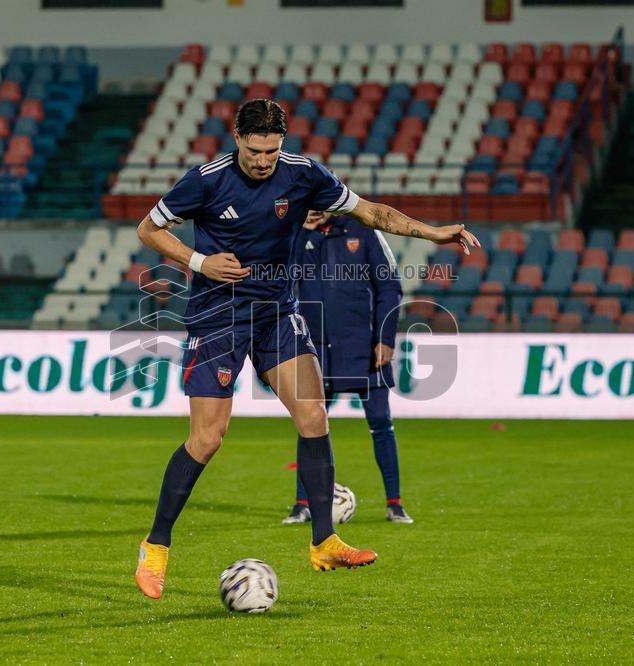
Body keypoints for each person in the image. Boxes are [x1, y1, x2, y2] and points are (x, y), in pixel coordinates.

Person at [134, 99, 478, 599]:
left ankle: (325, 541)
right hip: (218, 317)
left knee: (314, 416)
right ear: (237, 139)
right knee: (208, 439)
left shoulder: (303, 175)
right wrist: (200, 261)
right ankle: (156, 547)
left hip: (276, 312)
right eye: (255, 151)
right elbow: (149, 229)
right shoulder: (205, 180)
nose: (263, 161)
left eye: (272, 150)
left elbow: (373, 212)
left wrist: (432, 232)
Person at [282, 209, 413, 525]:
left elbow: (390, 287)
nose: (314, 207)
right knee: (309, 425)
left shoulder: (364, 231)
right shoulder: (298, 235)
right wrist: (300, 231)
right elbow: (284, 278)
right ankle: (303, 504)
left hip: (364, 346)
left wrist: (385, 338)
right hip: (315, 348)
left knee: (380, 421)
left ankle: (394, 503)